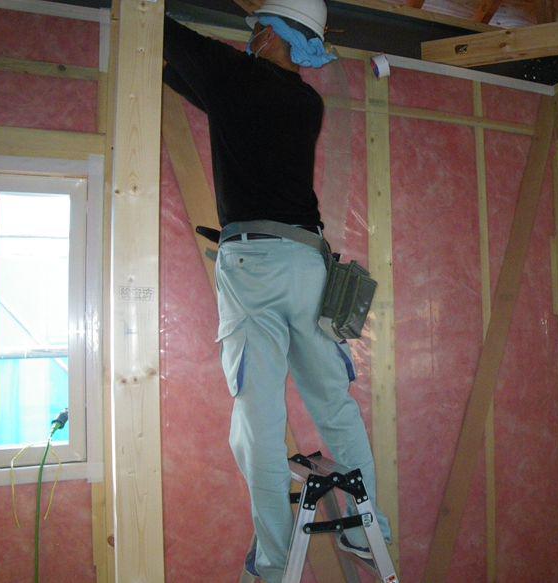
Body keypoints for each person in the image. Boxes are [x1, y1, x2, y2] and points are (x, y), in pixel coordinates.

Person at [162, 1, 391, 581]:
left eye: (258, 30)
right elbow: (216, 95)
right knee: (334, 403)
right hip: (308, 265)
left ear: (273, 35)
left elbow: (167, 39)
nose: (251, 38)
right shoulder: (307, 103)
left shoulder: (235, 79)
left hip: (253, 267)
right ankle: (367, 531)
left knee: (259, 417)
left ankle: (273, 559)